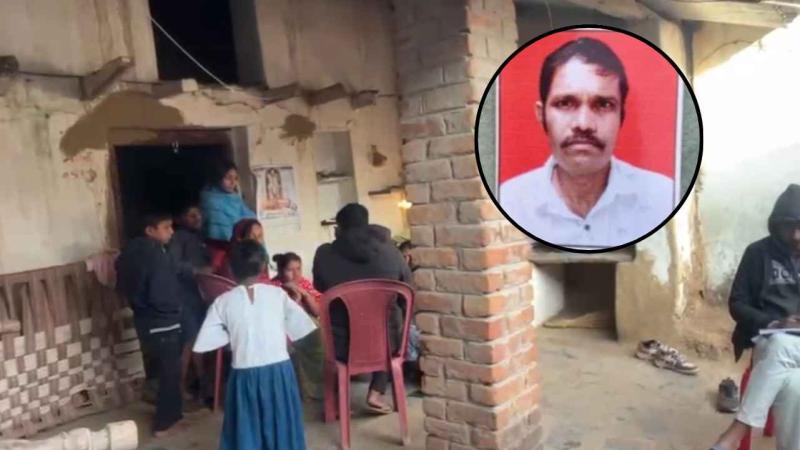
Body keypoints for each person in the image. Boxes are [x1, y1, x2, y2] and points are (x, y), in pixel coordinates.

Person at [499, 37, 673, 249]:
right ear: (541, 114)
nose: (583, 124)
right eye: (565, 103)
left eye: (603, 104)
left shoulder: (663, 198)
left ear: (621, 116)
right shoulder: (509, 202)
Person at [193, 240, 316, 450]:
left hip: (245, 374)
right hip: (279, 373)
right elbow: (301, 327)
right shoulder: (278, 295)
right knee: (281, 422)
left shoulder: (222, 302)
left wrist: (234, 335)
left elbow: (206, 342)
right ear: (263, 267)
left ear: (230, 269)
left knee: (247, 426)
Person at [710, 184, 800, 450]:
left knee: (783, 346)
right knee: (794, 385)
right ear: (776, 225)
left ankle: (736, 432)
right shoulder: (758, 253)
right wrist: (774, 323)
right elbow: (737, 303)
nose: (796, 235)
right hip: (768, 336)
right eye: (789, 227)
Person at [312, 203, 412, 414]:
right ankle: (376, 391)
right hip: (385, 344)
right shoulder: (391, 253)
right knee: (391, 323)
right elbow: (408, 290)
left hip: (342, 346)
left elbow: (320, 286)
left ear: (338, 228)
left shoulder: (324, 254)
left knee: (339, 324)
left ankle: (339, 399)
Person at [115, 212, 186, 436]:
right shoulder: (155, 254)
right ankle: (165, 423)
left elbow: (125, 286)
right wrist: (174, 310)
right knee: (170, 373)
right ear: (150, 230)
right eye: (166, 227)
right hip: (163, 320)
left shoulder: (128, 253)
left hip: (143, 319)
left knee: (157, 368)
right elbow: (161, 291)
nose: (171, 232)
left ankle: (167, 410)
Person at [168, 204, 212, 402]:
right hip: (184, 295)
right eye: (192, 215)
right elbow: (172, 264)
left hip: (198, 295)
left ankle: (201, 382)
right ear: (181, 219)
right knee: (187, 341)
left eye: (199, 214)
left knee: (196, 339)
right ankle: (178, 387)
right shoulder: (178, 238)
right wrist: (197, 270)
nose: (197, 218)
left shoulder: (200, 238)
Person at [270, 252, 324, 400]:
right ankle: (304, 391)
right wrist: (295, 299)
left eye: (298, 269)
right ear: (280, 271)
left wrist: (305, 294)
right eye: (290, 270)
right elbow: (279, 317)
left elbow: (318, 311)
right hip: (283, 328)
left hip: (307, 325)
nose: (296, 274)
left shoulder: (304, 283)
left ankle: (316, 389)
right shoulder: (273, 287)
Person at [200, 161, 256, 242]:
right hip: (223, 247)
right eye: (228, 178)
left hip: (244, 245)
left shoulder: (236, 199)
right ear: (218, 178)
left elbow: (252, 221)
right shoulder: (211, 202)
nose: (233, 182)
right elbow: (222, 235)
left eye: (235, 178)